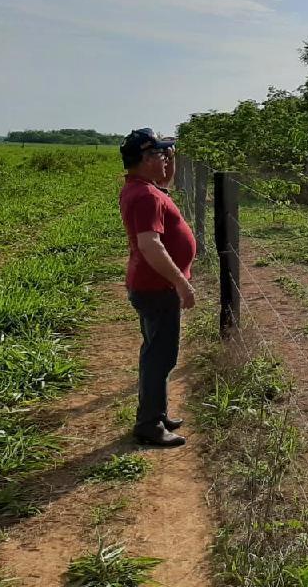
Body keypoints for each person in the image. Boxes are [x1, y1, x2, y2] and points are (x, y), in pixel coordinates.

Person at [118, 128, 196, 447]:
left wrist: (170, 161)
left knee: (156, 353)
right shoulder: (146, 196)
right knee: (159, 357)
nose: (166, 159)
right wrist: (181, 283)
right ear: (146, 159)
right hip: (157, 288)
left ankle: (157, 413)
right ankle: (149, 424)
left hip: (151, 286)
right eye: (160, 155)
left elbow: (165, 184)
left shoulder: (143, 188)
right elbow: (151, 245)